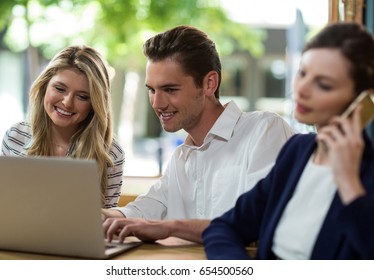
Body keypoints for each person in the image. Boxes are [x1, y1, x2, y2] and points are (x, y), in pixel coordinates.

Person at [102, 25, 295, 243]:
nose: (157, 103)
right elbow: (144, 210)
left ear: (209, 83)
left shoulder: (264, 130)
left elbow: (258, 220)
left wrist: (170, 228)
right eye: (152, 90)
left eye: (170, 89)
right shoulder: (181, 159)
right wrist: (99, 217)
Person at [202, 22, 374, 259]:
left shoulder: (366, 176)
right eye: (303, 73)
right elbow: (223, 227)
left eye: (323, 84)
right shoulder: (297, 151)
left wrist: (348, 183)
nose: (302, 89)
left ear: (360, 101)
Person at [2, 45, 124, 209]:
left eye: (82, 96)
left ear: (95, 104)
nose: (67, 102)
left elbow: (107, 224)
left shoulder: (110, 154)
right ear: (45, 86)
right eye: (60, 88)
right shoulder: (15, 137)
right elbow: (5, 207)